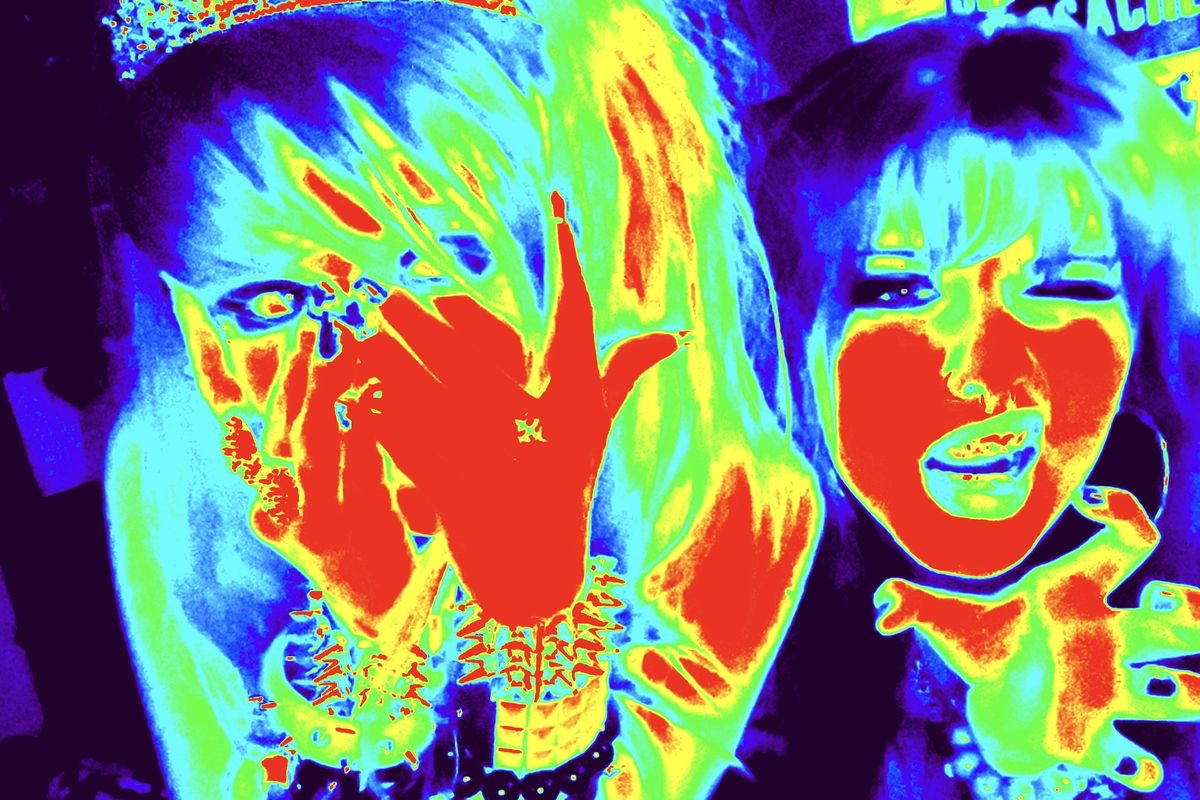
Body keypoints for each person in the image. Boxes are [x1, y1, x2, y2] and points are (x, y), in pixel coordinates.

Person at [101, 1, 819, 799]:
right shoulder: (168, 460)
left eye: (432, 268)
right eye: (270, 302)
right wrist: (367, 632)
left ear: (564, 257)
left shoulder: (730, 501)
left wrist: (532, 614)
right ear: (196, 328)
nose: (360, 366)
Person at [742, 18, 1200, 799]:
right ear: (788, 322)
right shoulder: (704, 607)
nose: (989, 375)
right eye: (898, 290)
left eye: (1069, 289)